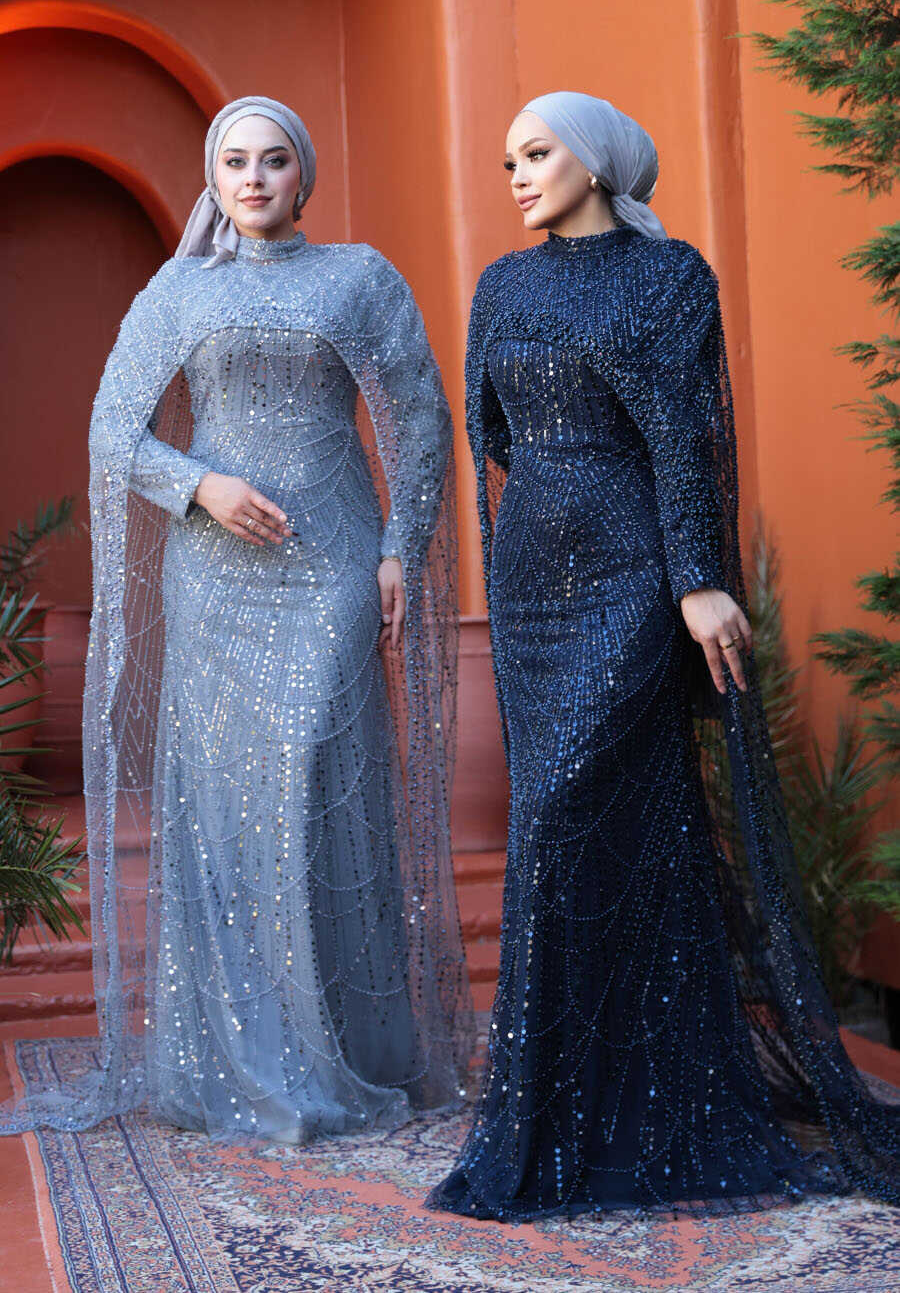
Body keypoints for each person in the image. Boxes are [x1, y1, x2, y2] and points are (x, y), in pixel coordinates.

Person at [425, 91, 900, 1222]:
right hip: (533, 589)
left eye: (536, 152)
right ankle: (600, 1101)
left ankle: (600, 1109)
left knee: (558, 814)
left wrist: (695, 579)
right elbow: (492, 439)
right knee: (618, 830)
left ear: (596, 160)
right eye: (507, 159)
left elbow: (686, 434)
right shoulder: (501, 285)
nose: (516, 174)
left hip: (637, 574)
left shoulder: (670, 276)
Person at [1, 95, 474, 1142]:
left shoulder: (360, 278)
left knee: (315, 783)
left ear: (303, 174)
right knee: (225, 806)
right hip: (215, 581)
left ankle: (344, 1048)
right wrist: (202, 486)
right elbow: (114, 430)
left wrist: (400, 547)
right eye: (234, 162)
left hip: (334, 563)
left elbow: (423, 418)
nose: (253, 178)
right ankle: (237, 1055)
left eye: (273, 161)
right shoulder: (179, 289)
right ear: (214, 180)